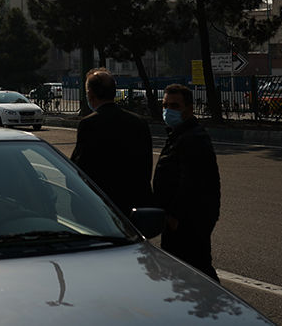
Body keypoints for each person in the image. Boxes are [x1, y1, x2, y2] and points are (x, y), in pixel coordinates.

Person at [153, 83, 221, 282]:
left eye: (174, 106)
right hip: (181, 220)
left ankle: (216, 299)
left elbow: (191, 183)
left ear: (189, 109)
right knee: (183, 275)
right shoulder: (179, 134)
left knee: (195, 271)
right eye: (165, 106)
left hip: (187, 222)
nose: (168, 111)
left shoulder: (192, 138)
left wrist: (175, 216)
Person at [70, 68, 153, 216]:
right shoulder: (138, 122)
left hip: (101, 203)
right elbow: (146, 165)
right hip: (134, 201)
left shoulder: (89, 124)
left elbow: (81, 165)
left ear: (90, 94)